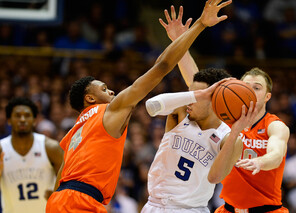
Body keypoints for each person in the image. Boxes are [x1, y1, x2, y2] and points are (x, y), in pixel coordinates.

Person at [45, 0, 233, 212]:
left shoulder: (74, 132)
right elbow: (163, 67)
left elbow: (59, 180)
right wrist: (199, 24)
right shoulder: (109, 110)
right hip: (85, 201)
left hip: (60, 200)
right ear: (90, 98)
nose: (112, 92)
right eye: (104, 89)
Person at [141, 5, 257, 213]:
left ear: (214, 102)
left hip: (191, 209)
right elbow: (153, 105)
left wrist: (235, 133)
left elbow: (215, 177)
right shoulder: (180, 113)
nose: (191, 99)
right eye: (191, 94)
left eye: (199, 96)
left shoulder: (228, 138)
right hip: (154, 206)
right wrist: (179, 41)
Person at [210, 68, 290, 213]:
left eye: (257, 88)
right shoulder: (225, 124)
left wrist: (260, 162)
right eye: (246, 86)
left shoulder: (275, 125)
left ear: (267, 96)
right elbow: (195, 82)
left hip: (267, 210)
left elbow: (277, 154)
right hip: (227, 209)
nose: (251, 91)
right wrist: (182, 51)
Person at [0, 97, 63, 213]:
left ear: (34, 120)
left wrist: (57, 193)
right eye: (17, 115)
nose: (22, 119)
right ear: (9, 120)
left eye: (27, 115)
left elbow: (68, 182)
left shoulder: (50, 148)